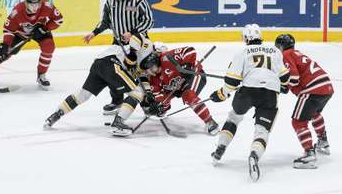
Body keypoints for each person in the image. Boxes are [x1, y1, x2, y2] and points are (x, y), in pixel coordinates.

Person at [210, 24, 290, 181]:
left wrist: (222, 93)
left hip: (247, 92)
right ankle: (254, 155)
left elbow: (232, 80)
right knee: (262, 131)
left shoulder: (242, 52)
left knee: (233, 118)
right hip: (270, 94)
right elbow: (285, 78)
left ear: (246, 38)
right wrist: (281, 85)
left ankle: (221, 147)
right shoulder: (275, 51)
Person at [43, 38, 156, 136]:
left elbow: (142, 77)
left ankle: (56, 114)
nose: (152, 70)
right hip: (112, 63)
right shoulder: (147, 49)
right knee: (137, 93)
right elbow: (137, 38)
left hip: (99, 63)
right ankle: (118, 122)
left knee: (83, 94)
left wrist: (149, 93)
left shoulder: (144, 62)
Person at [83, 0, 154, 116]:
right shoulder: (111, 2)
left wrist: (133, 33)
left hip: (138, 43)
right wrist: (94, 32)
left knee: (141, 72)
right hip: (118, 45)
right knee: (115, 72)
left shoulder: (138, 0)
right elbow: (105, 22)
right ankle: (117, 100)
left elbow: (149, 21)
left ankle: (147, 103)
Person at [275, 34, 334, 169]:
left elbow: (294, 78)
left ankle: (309, 154)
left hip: (312, 89)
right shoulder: (297, 53)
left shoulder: (286, 55)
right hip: (326, 86)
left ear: (281, 46)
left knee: (298, 121)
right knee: (314, 113)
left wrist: (283, 85)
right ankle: (323, 142)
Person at [0, 0, 63, 90]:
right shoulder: (17, 12)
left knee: (49, 46)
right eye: (32, 4)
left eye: (37, 3)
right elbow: (8, 29)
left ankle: (41, 75)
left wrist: (45, 28)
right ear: (26, 2)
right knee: (4, 53)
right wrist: (5, 45)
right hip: (20, 34)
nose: (35, 7)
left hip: (40, 30)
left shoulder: (47, 6)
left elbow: (59, 20)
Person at [139, 46, 220, 135]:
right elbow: (157, 93)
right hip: (176, 87)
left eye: (149, 69)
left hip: (193, 76)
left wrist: (187, 65)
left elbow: (189, 50)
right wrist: (158, 105)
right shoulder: (154, 78)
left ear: (154, 64)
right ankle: (164, 108)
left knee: (188, 96)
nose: (148, 73)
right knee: (161, 104)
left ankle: (210, 121)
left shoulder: (167, 57)